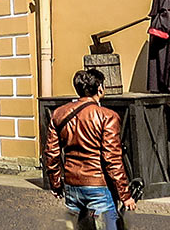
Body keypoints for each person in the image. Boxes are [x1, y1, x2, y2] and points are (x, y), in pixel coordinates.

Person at [42, 68, 136, 230]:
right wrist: (125, 195)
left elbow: (51, 153)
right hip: (99, 185)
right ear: (100, 88)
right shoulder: (108, 116)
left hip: (72, 184)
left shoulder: (59, 114)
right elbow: (112, 159)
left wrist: (56, 184)